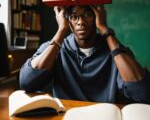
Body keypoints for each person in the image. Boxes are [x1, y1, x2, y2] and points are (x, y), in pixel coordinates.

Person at [19, 5, 150, 104]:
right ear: (68, 22)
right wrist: (60, 31)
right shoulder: (56, 48)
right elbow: (27, 82)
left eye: (88, 15)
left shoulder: (116, 51)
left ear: (97, 17)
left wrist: (105, 29)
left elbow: (144, 93)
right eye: (74, 17)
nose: (80, 22)